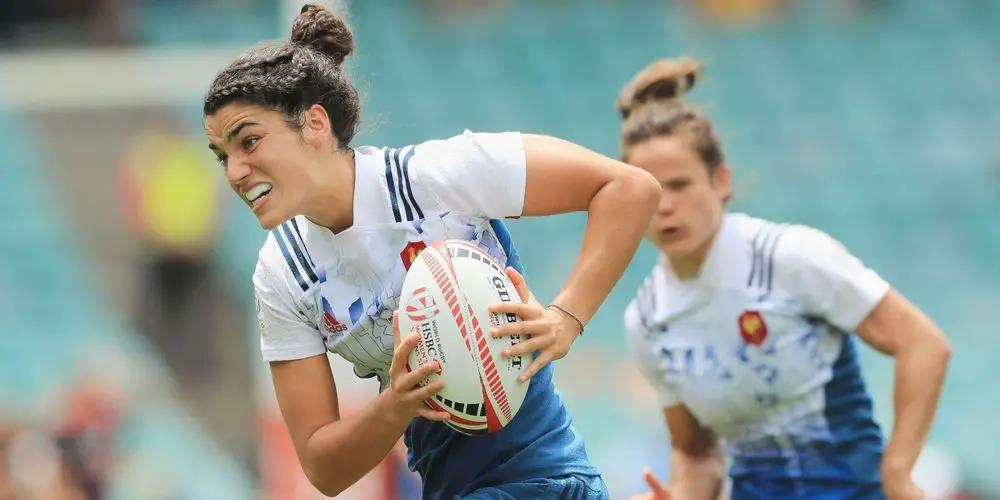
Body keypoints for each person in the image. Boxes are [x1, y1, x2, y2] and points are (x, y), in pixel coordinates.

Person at [202, 4, 661, 499]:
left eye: (248, 141)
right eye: (223, 156)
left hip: (550, 481)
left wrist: (565, 317)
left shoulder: (436, 177)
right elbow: (322, 467)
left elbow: (628, 189)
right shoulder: (282, 273)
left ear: (315, 123)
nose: (235, 172)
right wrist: (395, 405)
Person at [616, 58, 951, 500]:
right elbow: (697, 453)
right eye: (651, 192)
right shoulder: (646, 320)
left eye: (679, 185)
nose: (664, 206)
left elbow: (924, 344)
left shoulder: (792, 257)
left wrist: (899, 470)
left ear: (721, 181)